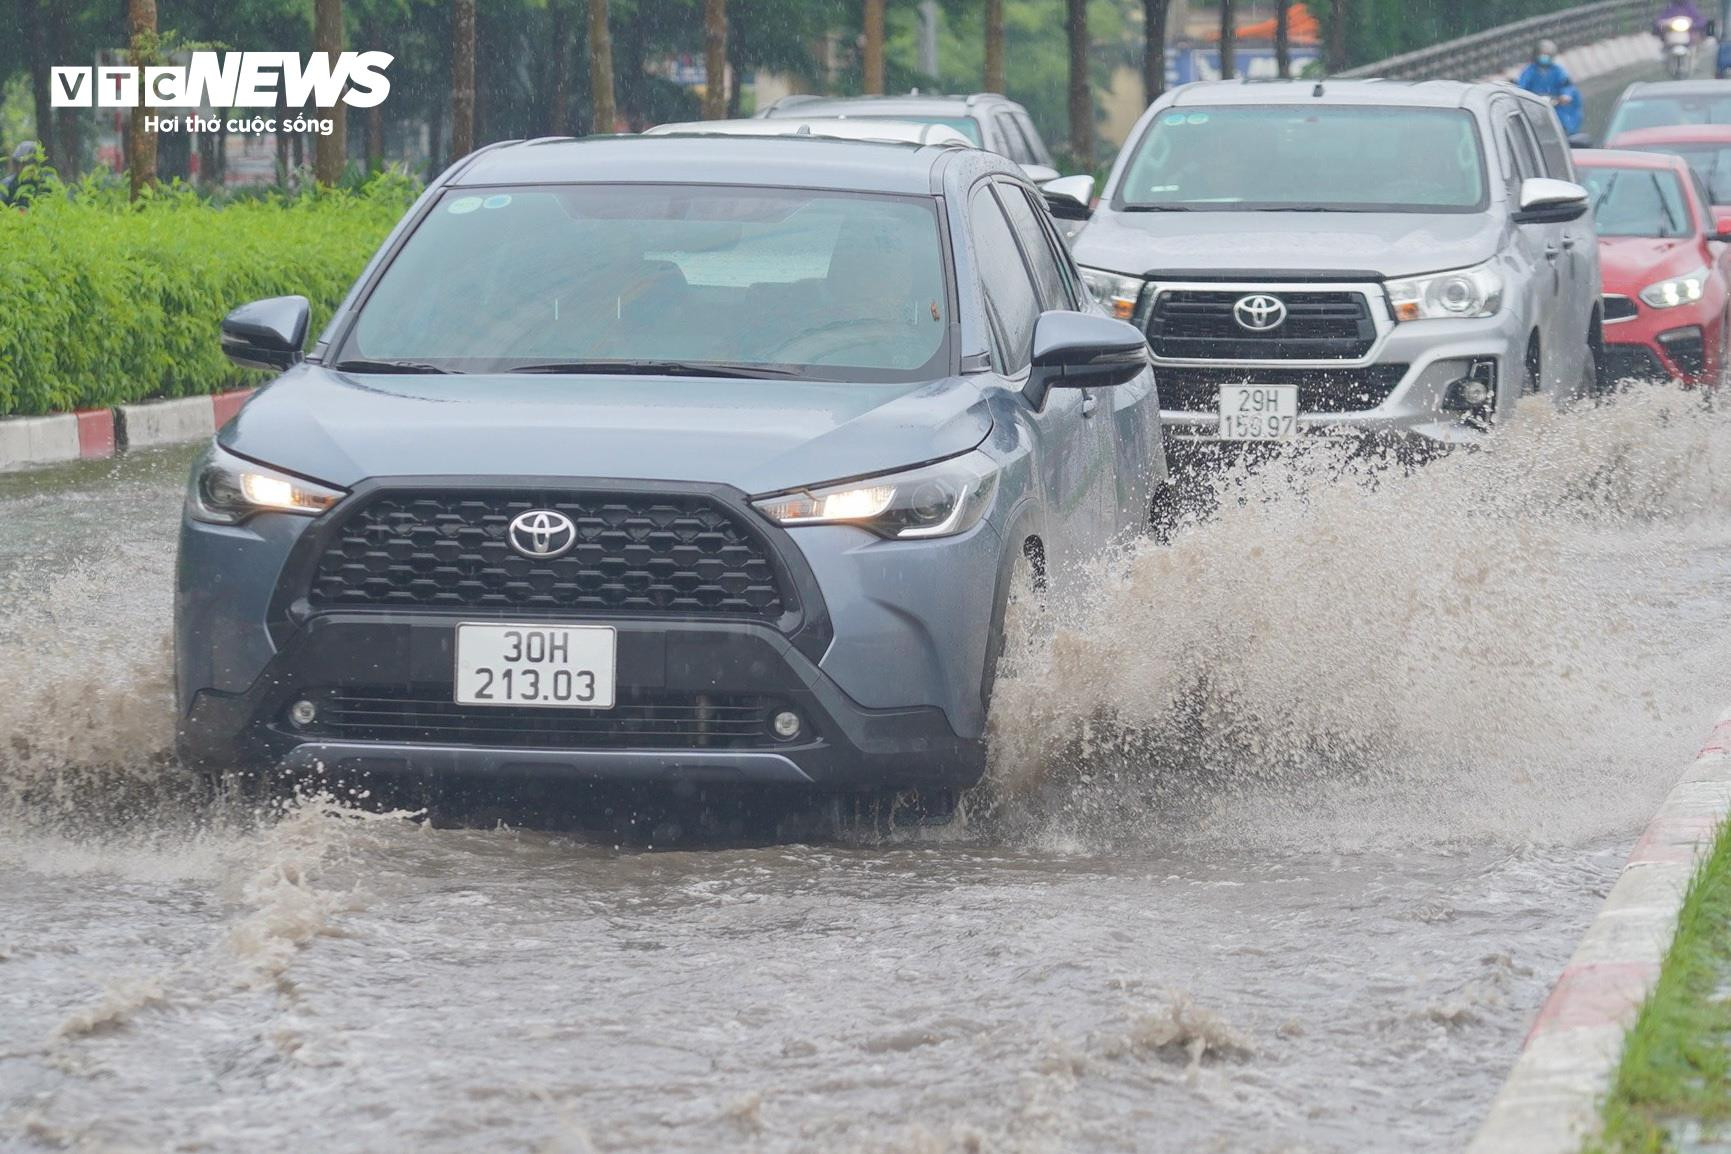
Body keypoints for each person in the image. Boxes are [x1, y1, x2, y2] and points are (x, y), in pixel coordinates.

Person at [1516, 41, 1584, 136]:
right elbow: (1521, 87)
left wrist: (1565, 96)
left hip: (1556, 105)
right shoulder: (1529, 71)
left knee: (1561, 122)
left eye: (1547, 54)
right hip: (1534, 104)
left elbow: (1566, 85)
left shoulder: (1558, 71)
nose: (1545, 57)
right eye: (1542, 54)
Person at [1, 140, 44, 208]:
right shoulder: (6, 184)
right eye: (18, 163)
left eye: (26, 164)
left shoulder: (47, 182)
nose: (20, 168)